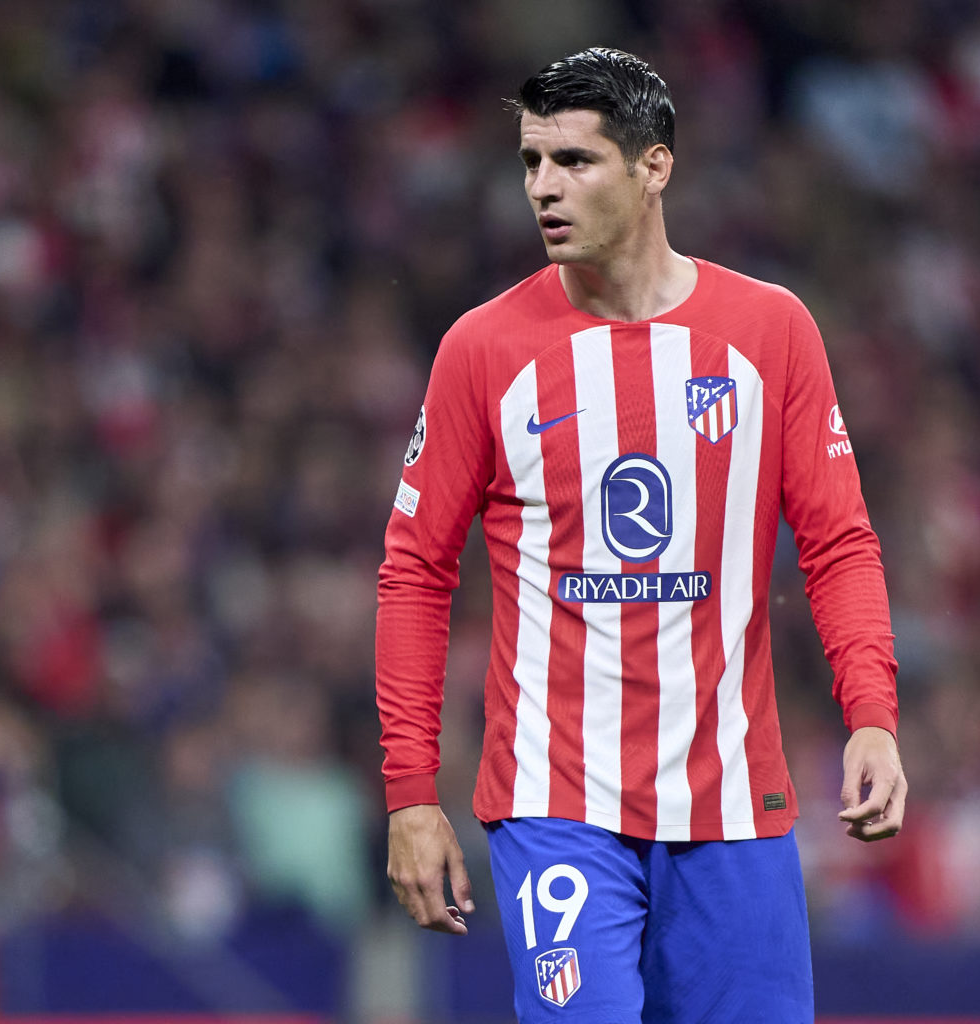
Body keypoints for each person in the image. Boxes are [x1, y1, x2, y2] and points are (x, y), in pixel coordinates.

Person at [376, 47, 906, 1022]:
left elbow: (838, 542)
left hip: (734, 808)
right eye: (532, 162)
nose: (544, 187)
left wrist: (870, 712)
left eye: (574, 162)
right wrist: (411, 790)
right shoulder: (482, 350)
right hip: (556, 804)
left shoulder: (769, 331)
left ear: (654, 166)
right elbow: (415, 570)